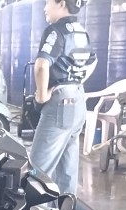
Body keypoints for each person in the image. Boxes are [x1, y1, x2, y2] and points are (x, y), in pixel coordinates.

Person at [28, 0, 95, 195]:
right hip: (78, 101)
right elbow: (93, 61)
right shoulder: (81, 32)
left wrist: (41, 96)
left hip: (60, 105)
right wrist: (74, 82)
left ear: (61, 3)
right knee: (67, 170)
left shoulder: (56, 31)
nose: (45, 8)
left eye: (48, 2)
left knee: (38, 170)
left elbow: (41, 65)